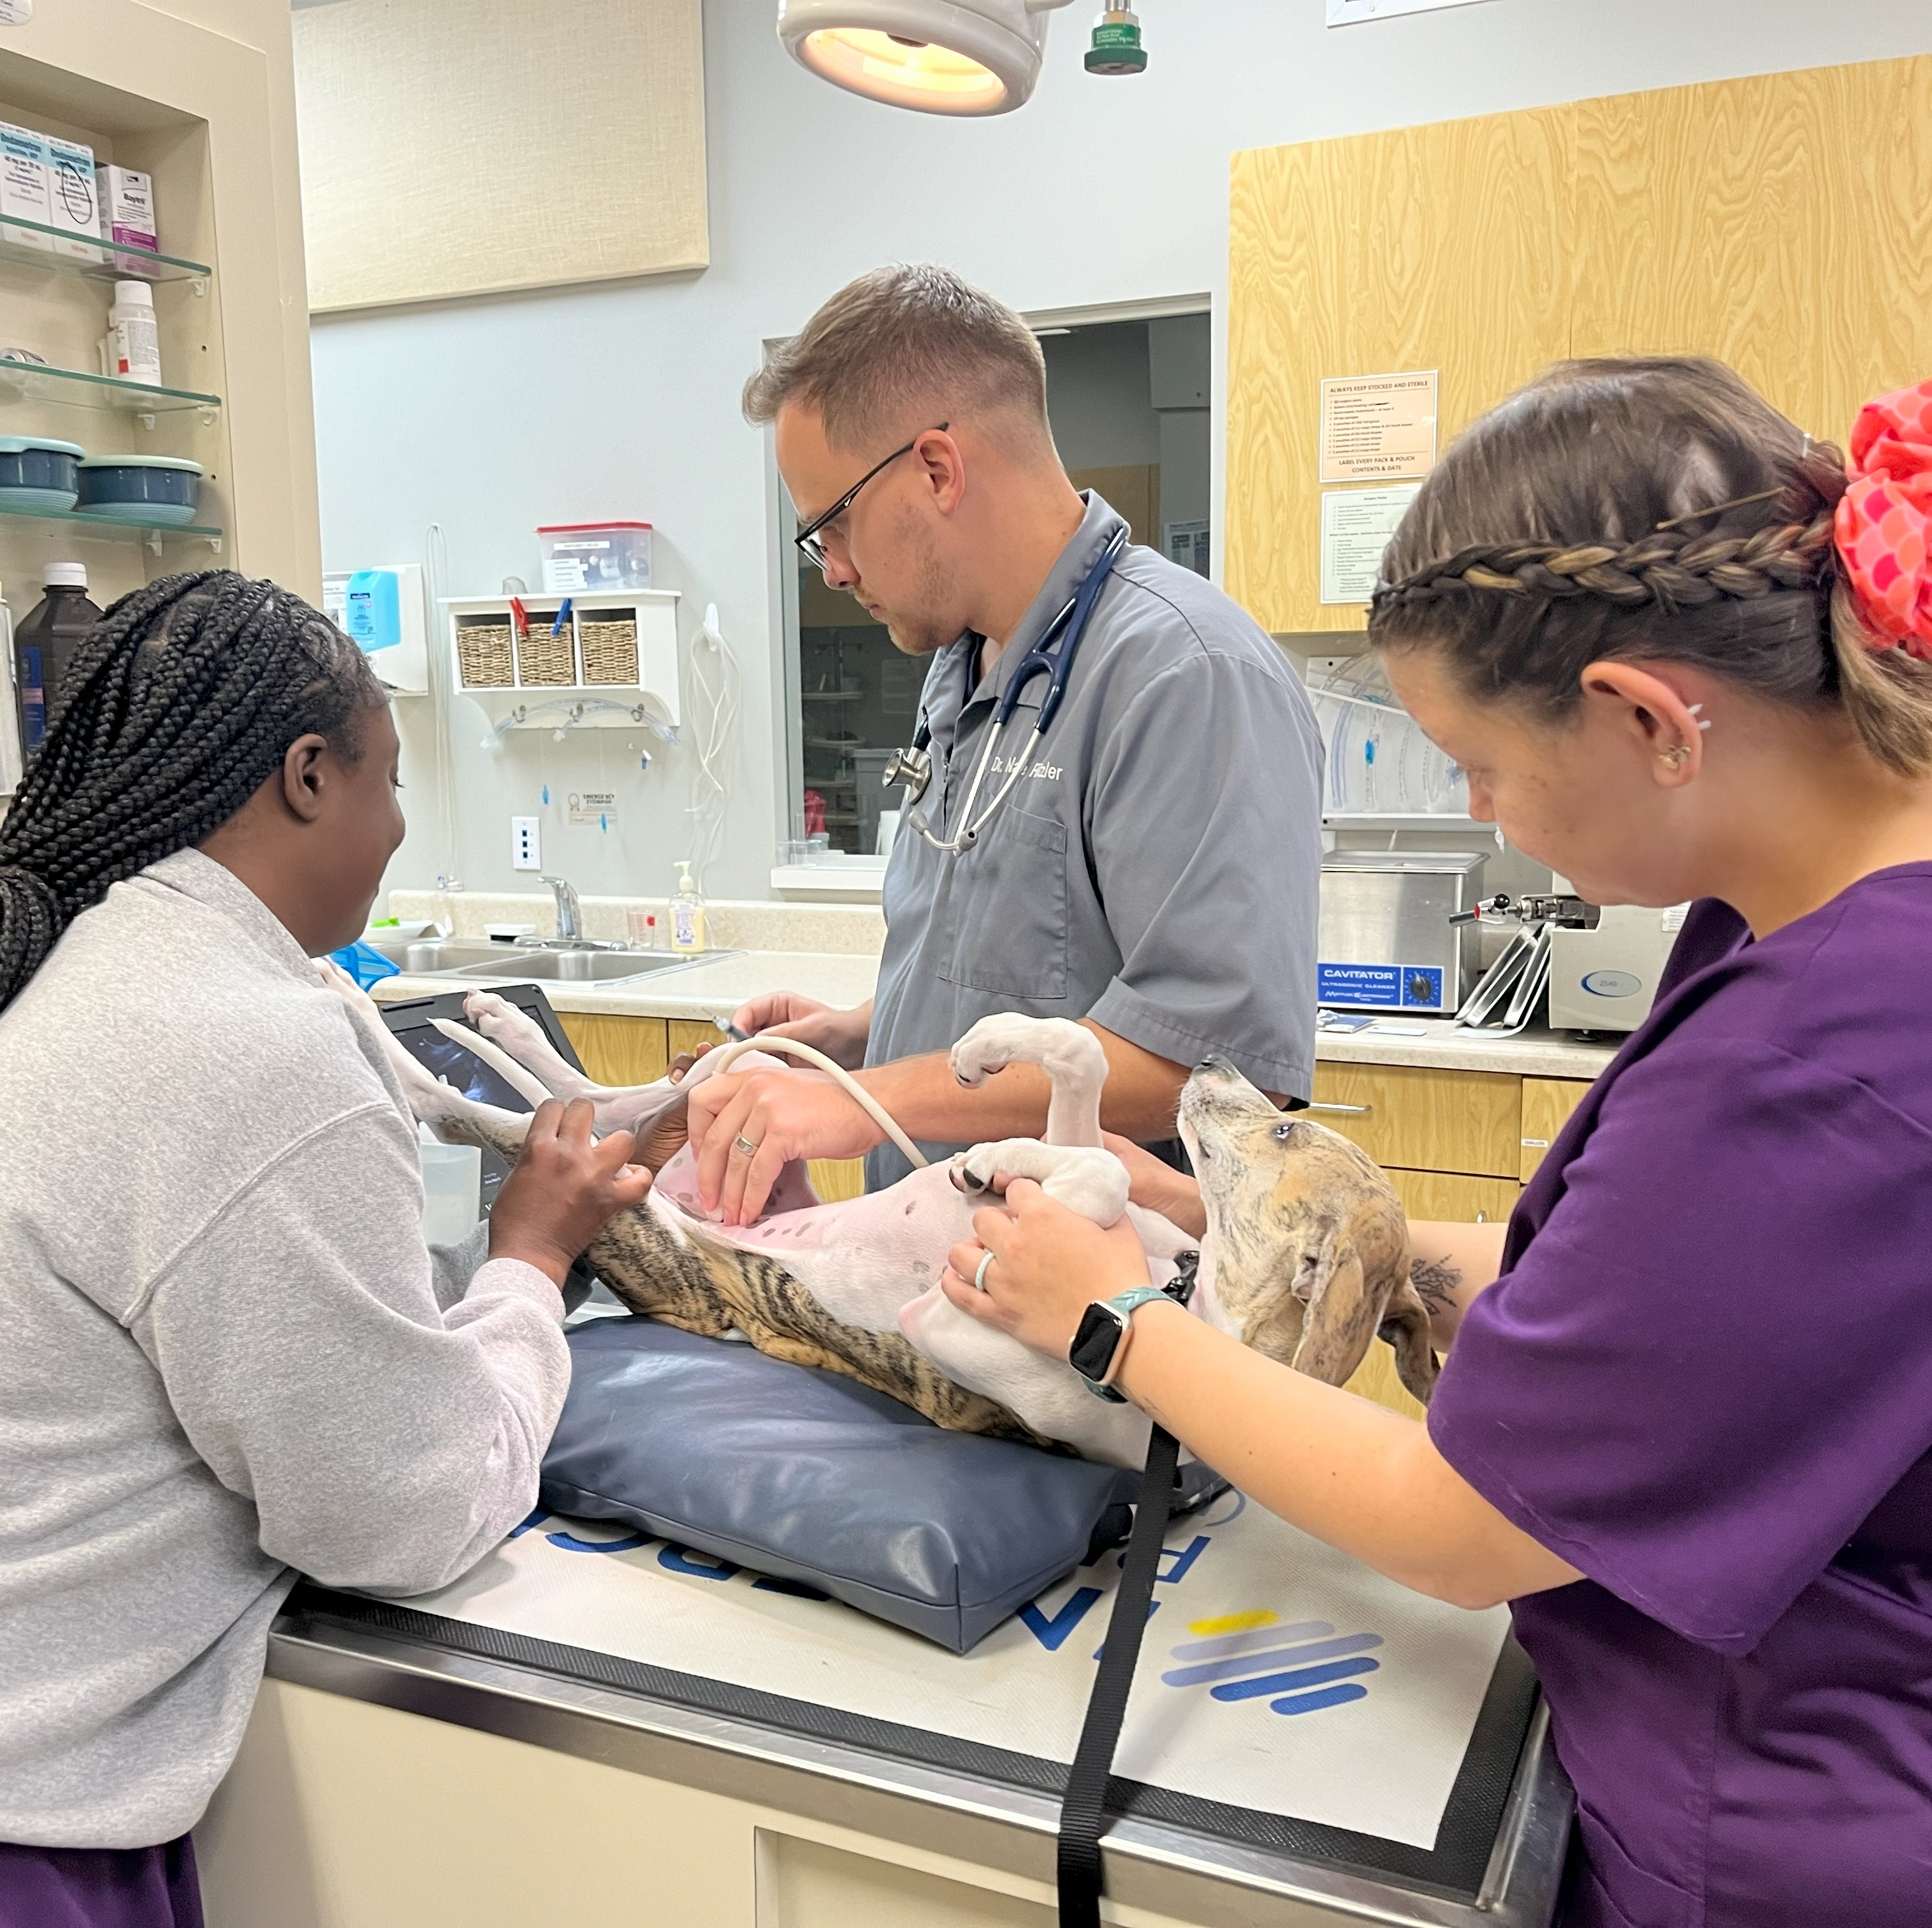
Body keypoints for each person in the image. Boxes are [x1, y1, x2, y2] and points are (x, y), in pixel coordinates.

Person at [938, 360, 1932, 1927]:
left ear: (1648, 718)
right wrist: (1279, 1225)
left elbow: (1461, 1530)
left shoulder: (1827, 1051)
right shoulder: (1806, 918)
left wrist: (1113, 1322)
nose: (1480, 808)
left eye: (1478, 766)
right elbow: (1697, 1304)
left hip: (1782, 1828)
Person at [0, 573, 649, 1926]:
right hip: (37, 1836)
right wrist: (530, 1260)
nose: (401, 829)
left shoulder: (89, 968)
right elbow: (396, 1512)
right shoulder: (242, 1049)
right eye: (392, 783)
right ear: (307, 777)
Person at [690, 264, 1323, 1223]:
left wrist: (862, 1102)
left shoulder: (1183, 674)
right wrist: (861, 1038)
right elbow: (1031, 978)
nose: (835, 571)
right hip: (932, 1277)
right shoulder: (962, 667)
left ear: (936, 468)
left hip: (1096, 1320)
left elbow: (1211, 1070)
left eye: (832, 525)